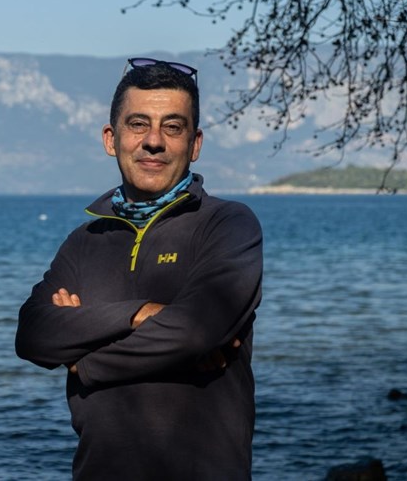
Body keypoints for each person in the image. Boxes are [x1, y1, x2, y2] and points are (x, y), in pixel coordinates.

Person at [15, 58, 263, 480]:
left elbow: (194, 332)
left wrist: (84, 361)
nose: (153, 142)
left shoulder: (228, 225)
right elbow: (33, 334)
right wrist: (140, 313)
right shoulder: (85, 241)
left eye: (173, 127)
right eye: (138, 124)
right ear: (111, 139)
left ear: (195, 144)